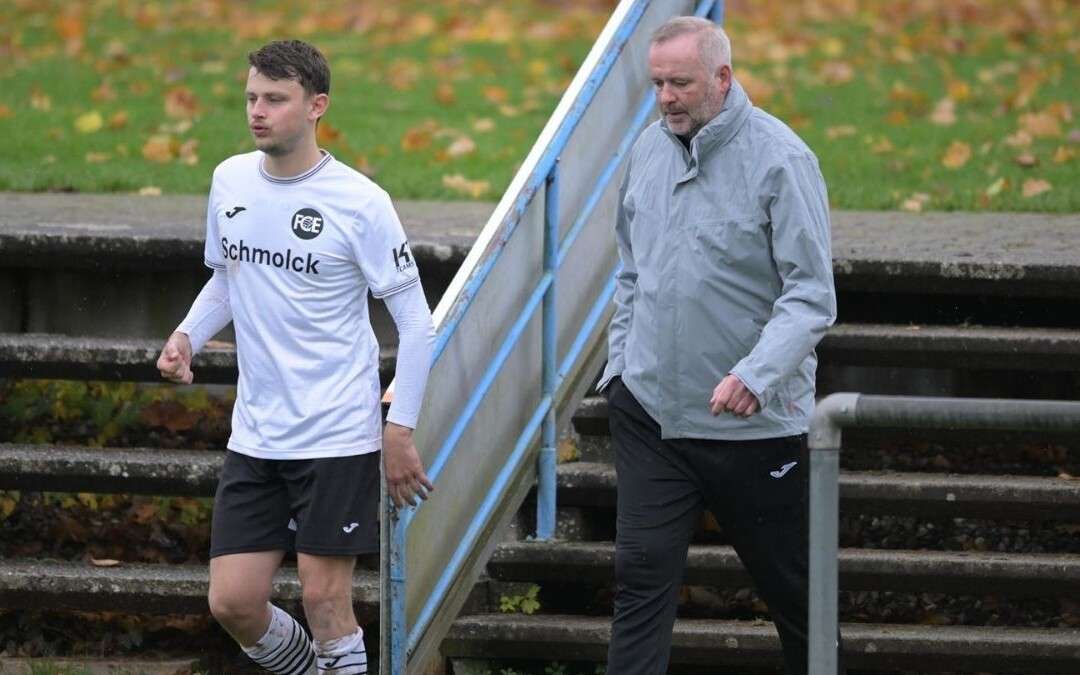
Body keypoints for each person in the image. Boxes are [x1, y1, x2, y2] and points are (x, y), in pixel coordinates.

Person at [156, 40, 435, 675]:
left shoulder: (361, 202)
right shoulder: (229, 179)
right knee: (232, 601)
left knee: (325, 598)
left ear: (317, 106)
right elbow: (228, 277)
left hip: (336, 434)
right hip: (256, 433)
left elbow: (417, 323)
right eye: (252, 97)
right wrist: (186, 337)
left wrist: (399, 426)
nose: (258, 111)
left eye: (275, 100)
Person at [598, 16, 838, 675]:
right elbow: (631, 270)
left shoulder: (783, 159)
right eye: (657, 84)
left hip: (755, 426)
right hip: (653, 419)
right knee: (639, 586)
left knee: (798, 596)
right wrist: (621, 368)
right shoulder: (647, 151)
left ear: (723, 79)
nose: (666, 97)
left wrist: (756, 375)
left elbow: (812, 293)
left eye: (681, 83)